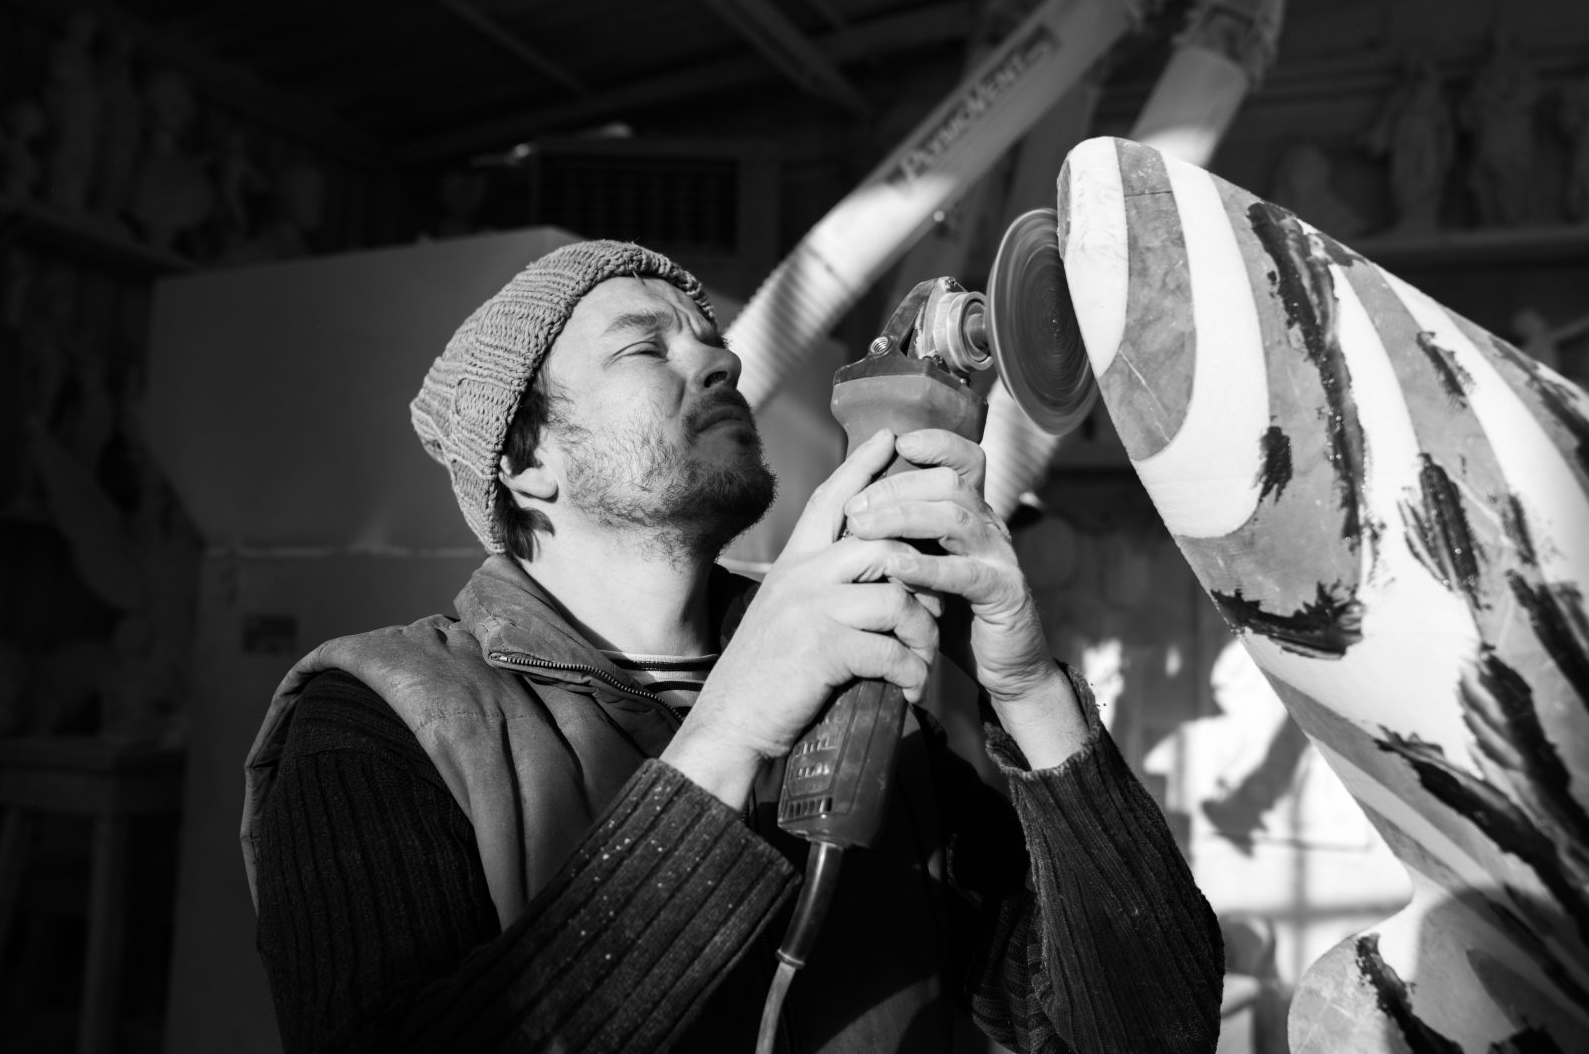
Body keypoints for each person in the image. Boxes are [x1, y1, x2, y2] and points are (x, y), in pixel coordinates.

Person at [241, 240, 1223, 1053]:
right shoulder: (380, 716)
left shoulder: (867, 707)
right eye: (645, 347)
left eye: (712, 341)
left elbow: (1149, 1032)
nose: (720, 364)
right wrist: (732, 733)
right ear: (526, 461)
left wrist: (1029, 692)